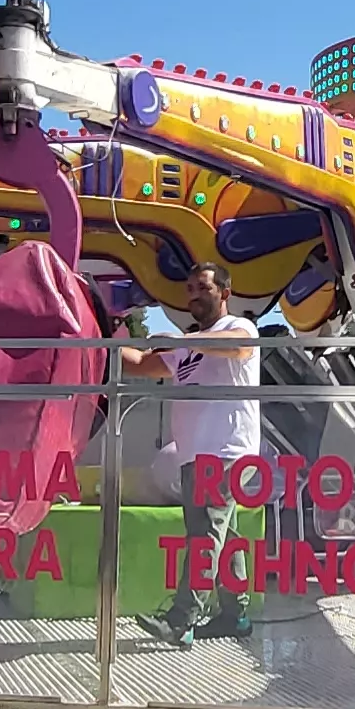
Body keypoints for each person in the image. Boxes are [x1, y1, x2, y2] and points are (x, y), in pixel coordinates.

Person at [119, 262, 260, 642]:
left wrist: (182, 340)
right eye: (190, 289)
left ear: (225, 294)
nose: (194, 294)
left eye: (203, 287)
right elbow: (140, 365)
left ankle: (182, 618)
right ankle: (236, 616)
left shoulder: (239, 328)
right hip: (195, 454)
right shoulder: (187, 346)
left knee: (204, 535)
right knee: (222, 535)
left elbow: (239, 349)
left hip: (226, 450)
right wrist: (104, 337)